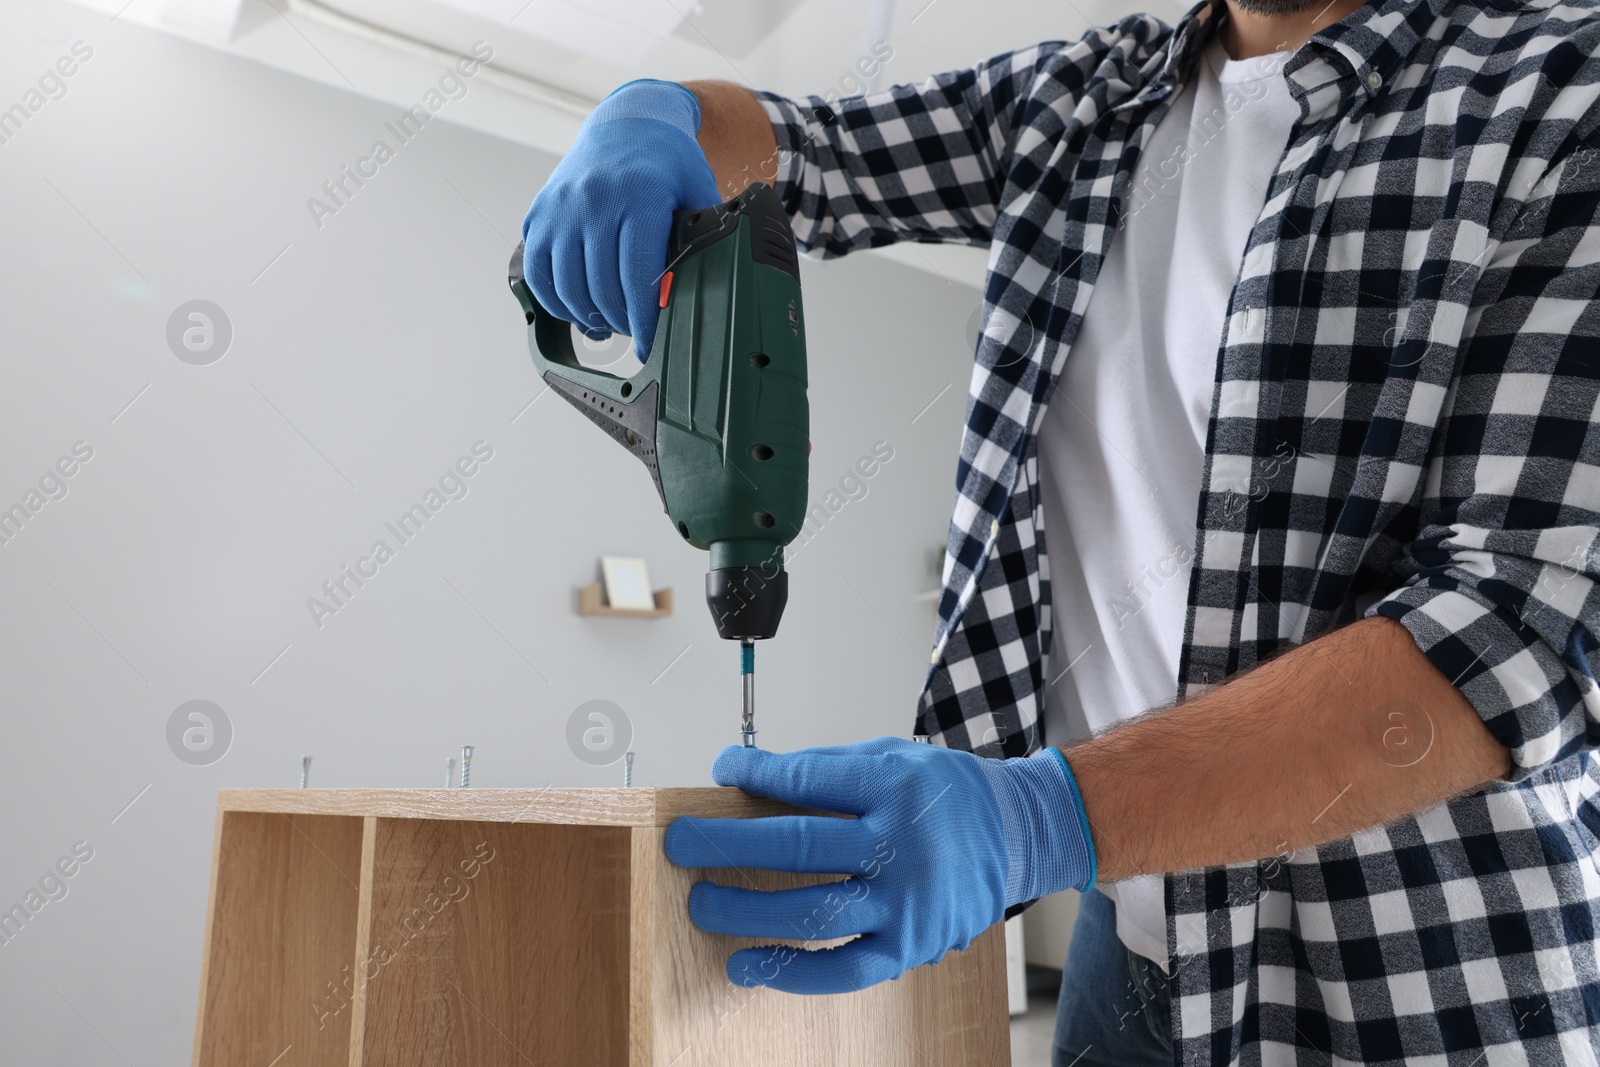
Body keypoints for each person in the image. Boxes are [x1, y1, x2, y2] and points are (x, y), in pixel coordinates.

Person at [520, 0, 1600, 1060]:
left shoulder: (1559, 88)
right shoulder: (1082, 102)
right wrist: (649, 110)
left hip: (1418, 976)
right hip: (1120, 945)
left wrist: (1038, 819)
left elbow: (1514, 631)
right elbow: (805, 152)